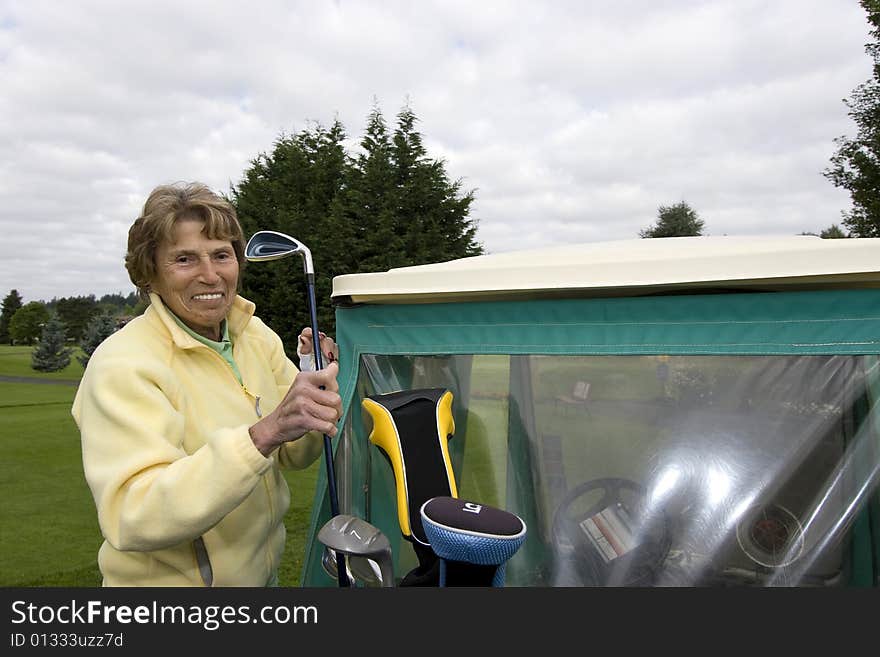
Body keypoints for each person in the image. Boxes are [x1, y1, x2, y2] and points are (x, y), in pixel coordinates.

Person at [71, 181, 342, 586]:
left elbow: (295, 455)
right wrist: (263, 434)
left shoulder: (254, 336)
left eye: (221, 255)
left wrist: (312, 396)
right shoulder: (122, 364)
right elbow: (134, 515)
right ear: (150, 274)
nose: (210, 275)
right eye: (185, 259)